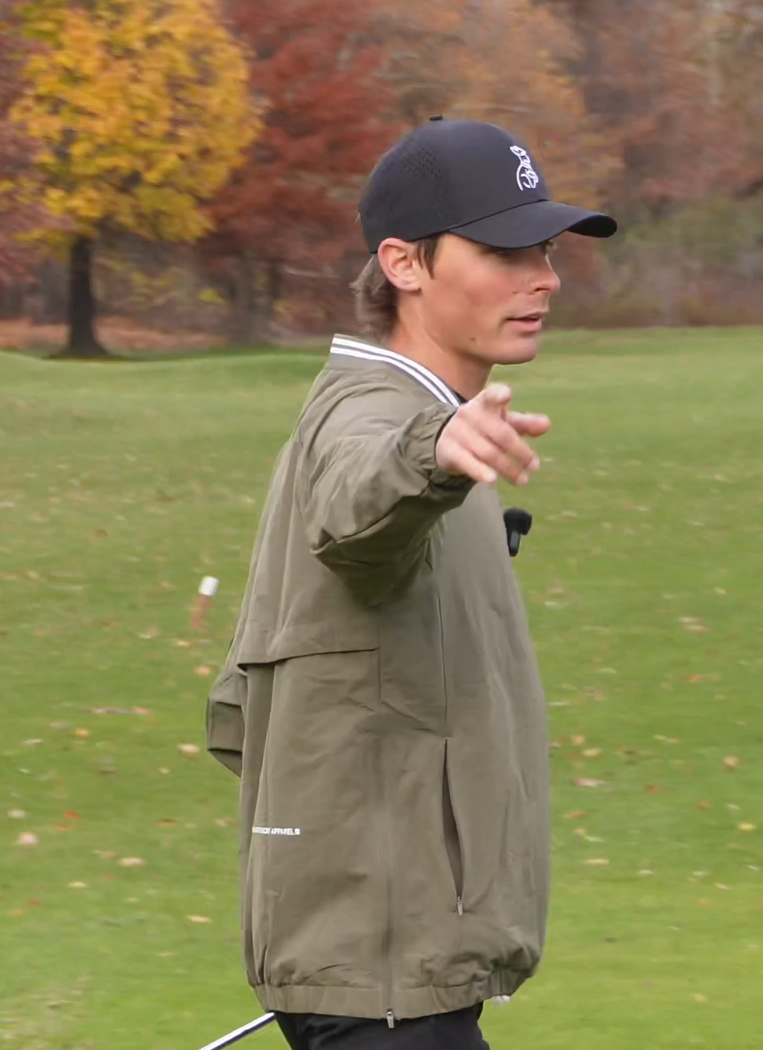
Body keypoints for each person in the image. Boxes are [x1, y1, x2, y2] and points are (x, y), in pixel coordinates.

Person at [205, 117, 617, 1050]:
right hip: (380, 980)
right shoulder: (374, 418)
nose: (543, 278)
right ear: (402, 264)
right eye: (505, 252)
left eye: (545, 251)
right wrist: (431, 454)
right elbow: (357, 502)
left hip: (393, 961)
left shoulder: (435, 418)